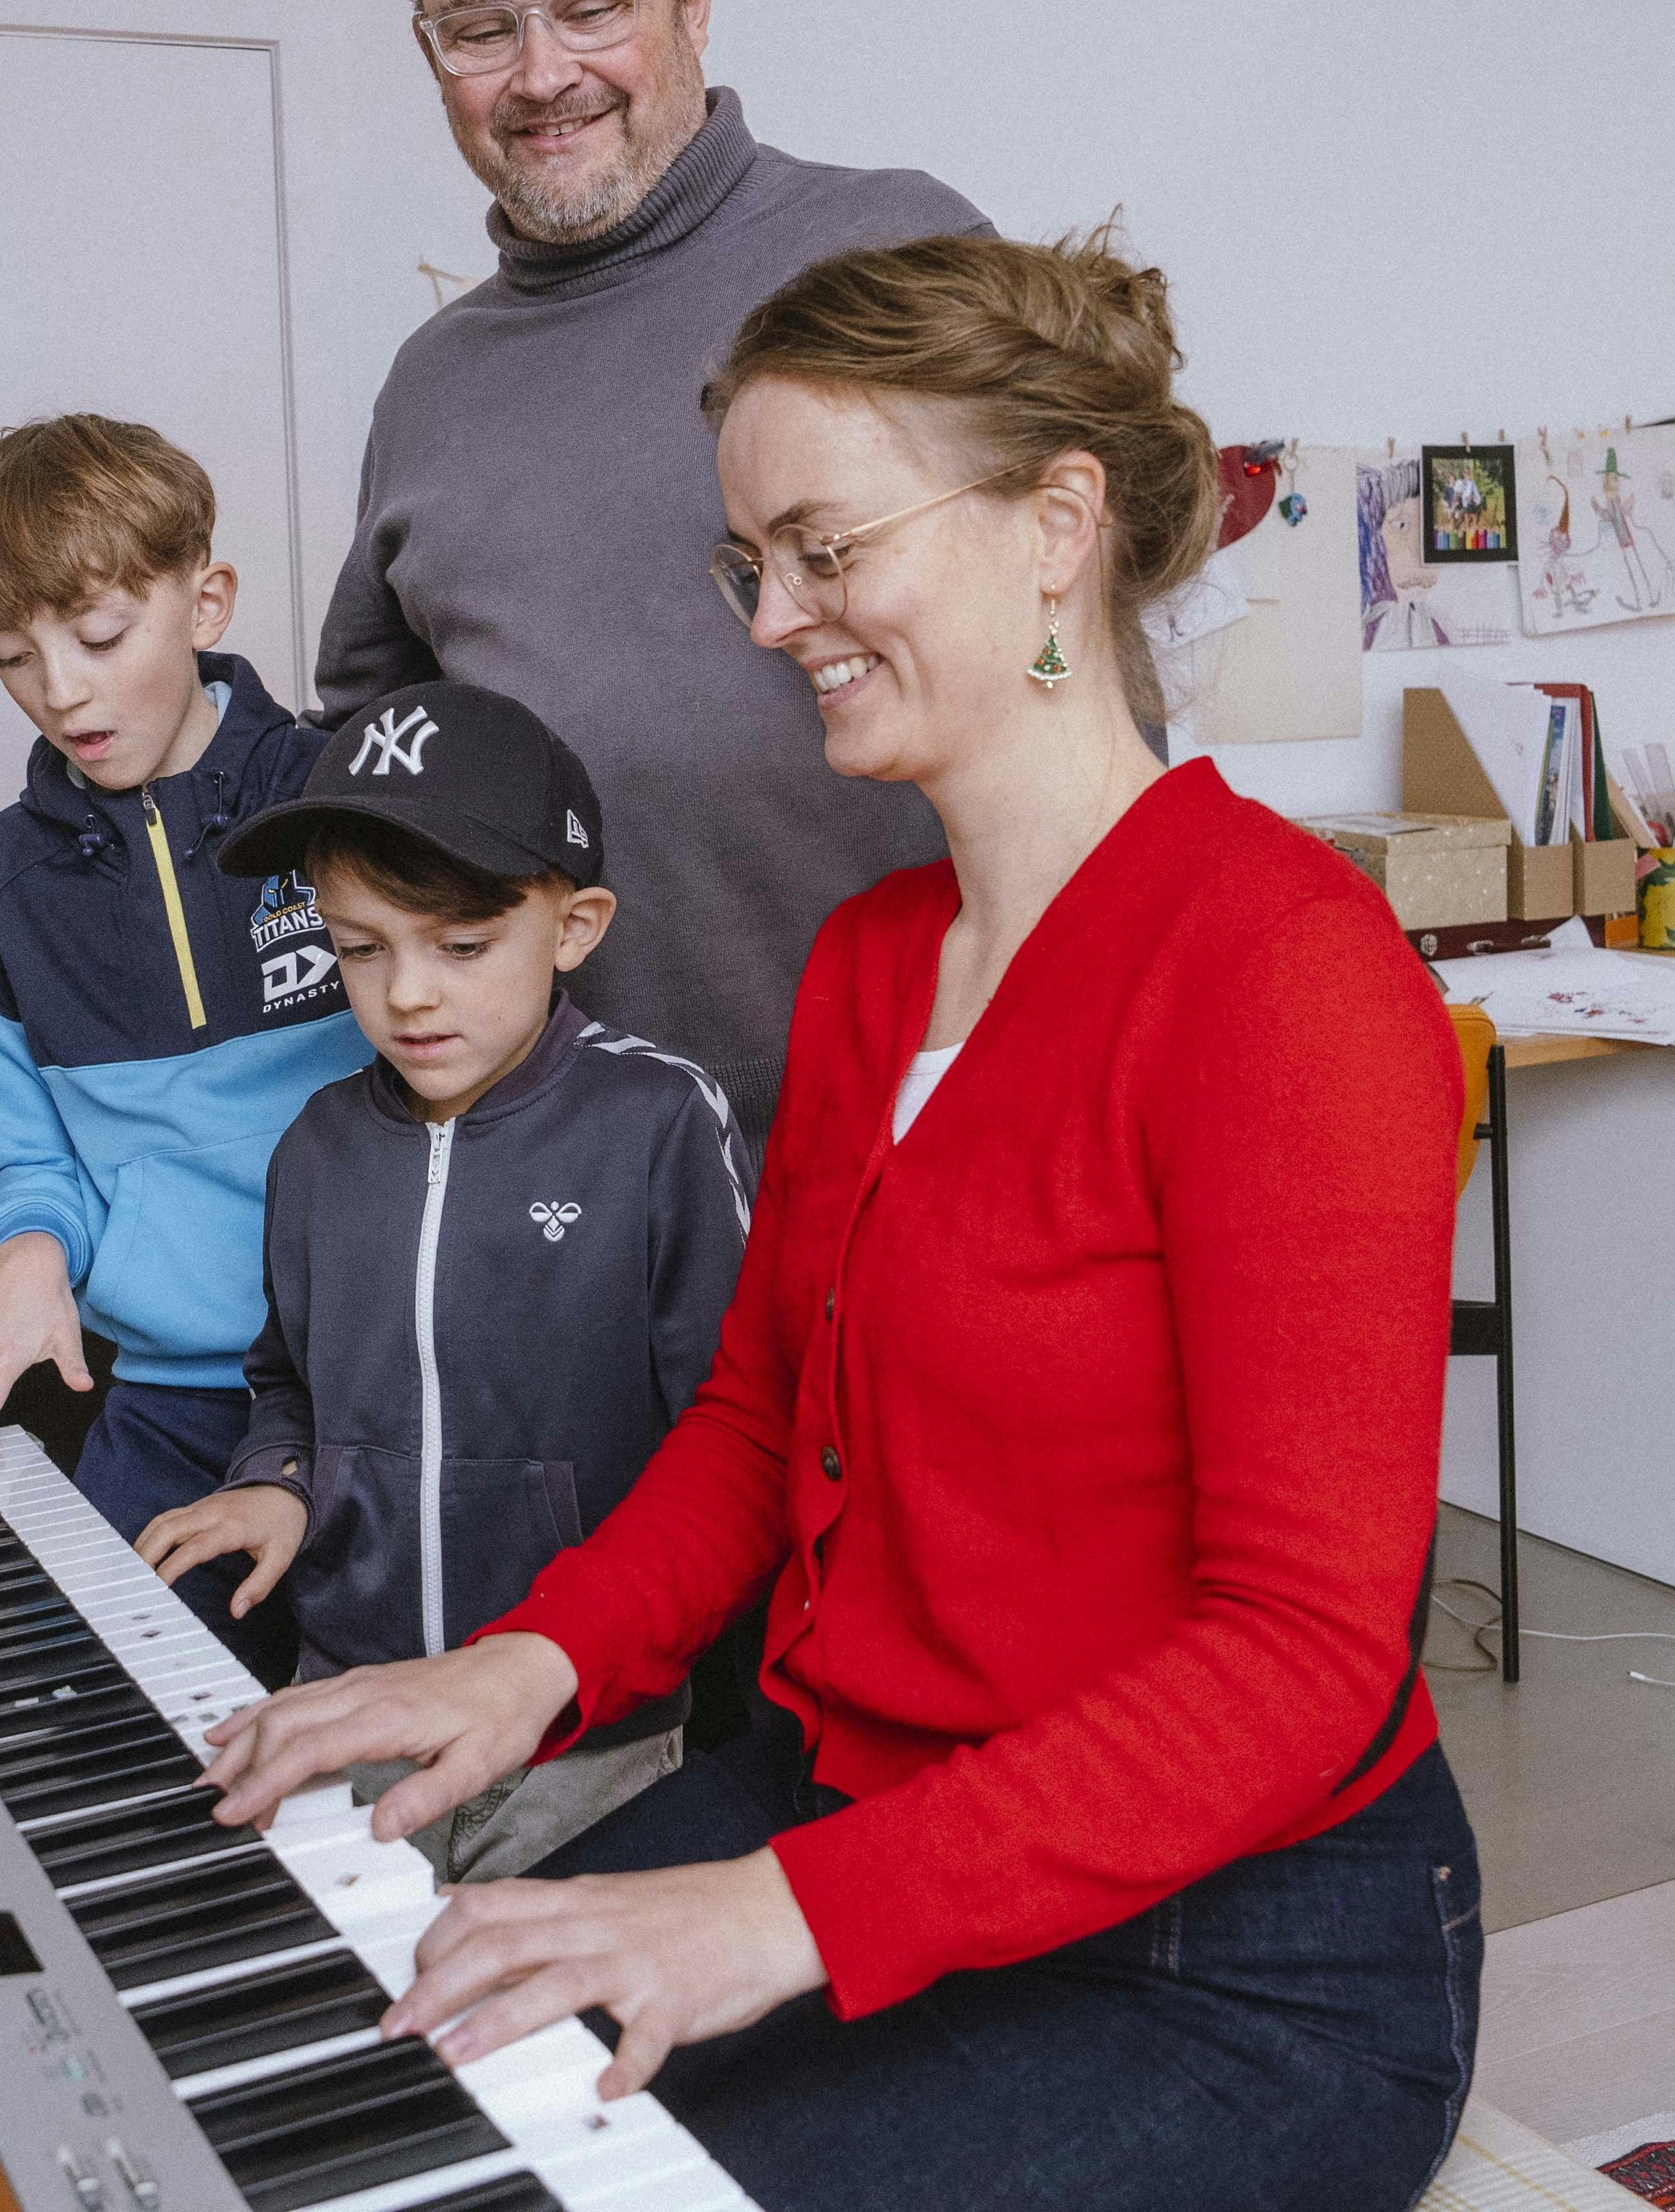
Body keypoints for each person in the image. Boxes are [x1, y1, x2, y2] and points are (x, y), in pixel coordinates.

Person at [195, 232, 1478, 2212]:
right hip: (851, 1810)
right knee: (364, 2103)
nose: (775, 617)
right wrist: (523, 1672)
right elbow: (755, 1415)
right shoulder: (877, 959)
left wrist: (771, 1918)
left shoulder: (1284, 975)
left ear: (1055, 528)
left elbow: (1303, 1658)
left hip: (1228, 1959)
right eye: (751, 566)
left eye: (824, 549)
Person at [317, 0, 994, 1147]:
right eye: (480, 29)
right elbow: (369, 769)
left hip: (933, 1144)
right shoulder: (429, 386)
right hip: (580, 1201)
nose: (542, 73)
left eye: (592, 4)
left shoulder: (898, 258)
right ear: (428, 52)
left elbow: (1086, 667)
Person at [132, 682, 751, 1881]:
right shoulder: (316, 1147)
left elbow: (735, 1435)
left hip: (584, 1745)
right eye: (360, 949)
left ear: (574, 926)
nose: (407, 993)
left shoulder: (660, 1120)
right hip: (348, 1707)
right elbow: (288, 1389)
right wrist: (280, 1486)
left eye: (461, 946)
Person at [0, 416, 372, 1676]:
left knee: (380, 1741)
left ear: (206, 600)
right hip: (168, 1398)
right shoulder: (1, 882)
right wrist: (31, 1258)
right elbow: (27, 1156)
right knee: (104, 1707)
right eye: (15, 659)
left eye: (102, 638)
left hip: (382, 1379)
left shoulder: (347, 797)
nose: (62, 689)